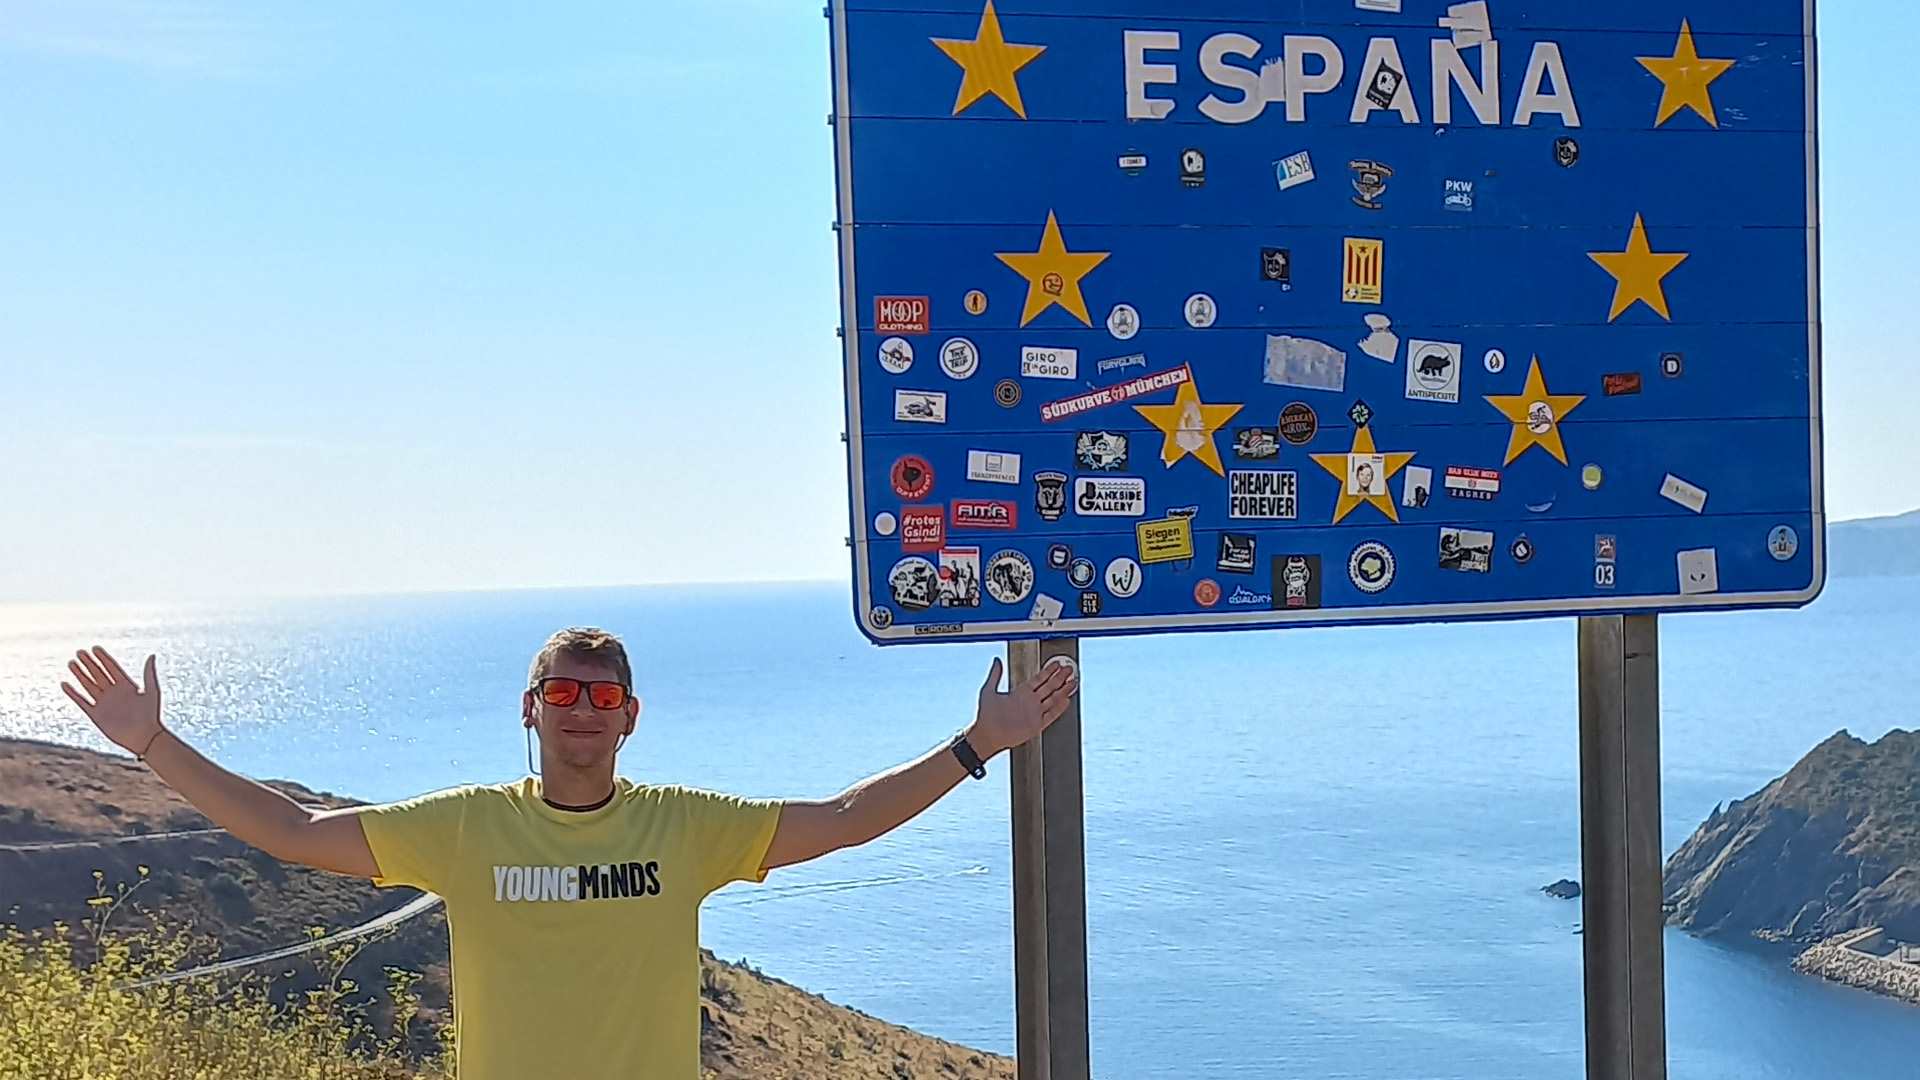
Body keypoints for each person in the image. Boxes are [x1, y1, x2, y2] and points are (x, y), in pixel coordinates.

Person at [59, 627, 1080, 1080]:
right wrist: (152, 743)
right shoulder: (465, 828)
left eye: (601, 697)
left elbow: (846, 816)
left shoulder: (684, 827)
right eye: (563, 694)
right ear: (531, 709)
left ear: (630, 716)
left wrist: (977, 744)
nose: (581, 712)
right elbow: (288, 831)